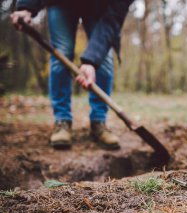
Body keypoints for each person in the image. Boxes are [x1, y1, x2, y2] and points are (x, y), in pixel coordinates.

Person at [11, 0, 134, 150]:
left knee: (104, 60)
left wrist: (91, 61)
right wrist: (26, 7)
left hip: (101, 7)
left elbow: (113, 19)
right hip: (61, 3)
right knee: (61, 53)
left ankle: (99, 121)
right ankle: (62, 121)